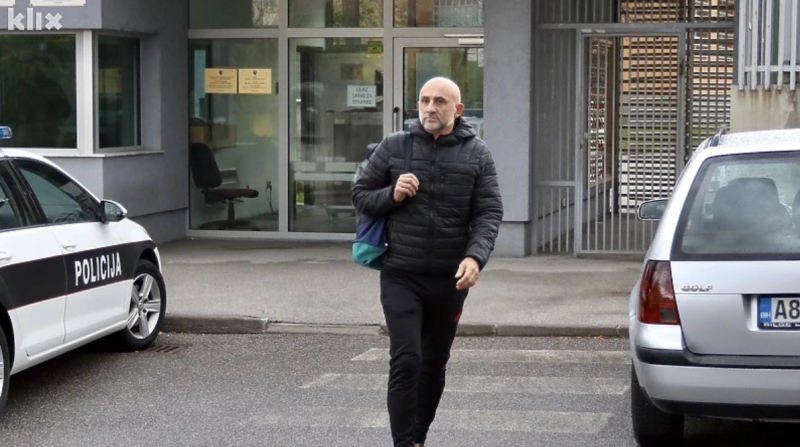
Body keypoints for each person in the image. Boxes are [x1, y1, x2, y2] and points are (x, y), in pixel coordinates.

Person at [352, 77, 503, 447]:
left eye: (439, 101)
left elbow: (488, 212)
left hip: (449, 279)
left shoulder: (477, 153)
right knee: (406, 359)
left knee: (434, 364)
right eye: (424, 100)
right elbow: (360, 195)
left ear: (458, 109)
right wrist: (392, 194)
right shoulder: (395, 146)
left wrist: (475, 257)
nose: (430, 108)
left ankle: (418, 438)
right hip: (401, 274)